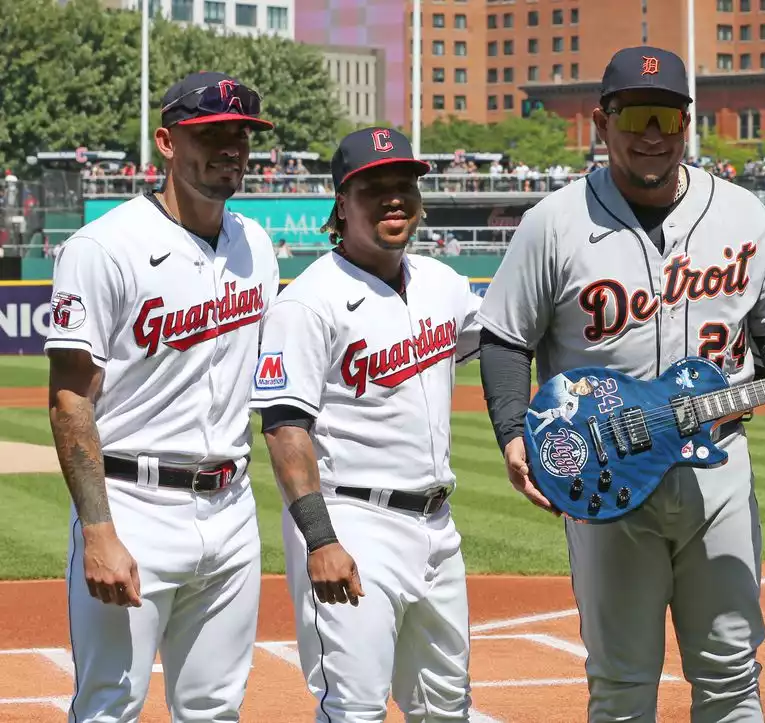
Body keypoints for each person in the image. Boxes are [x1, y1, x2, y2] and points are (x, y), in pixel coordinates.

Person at [475, 45, 765, 722]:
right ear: (603, 121)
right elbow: (505, 335)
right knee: (620, 683)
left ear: (687, 124)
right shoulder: (554, 223)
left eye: (668, 117)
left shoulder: (741, 214)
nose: (653, 133)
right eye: (637, 114)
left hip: (718, 463)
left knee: (732, 673)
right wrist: (511, 432)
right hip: (607, 475)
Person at [44, 71, 278, 721]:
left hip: (231, 509)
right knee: (110, 705)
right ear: (167, 141)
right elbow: (70, 398)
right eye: (212, 133)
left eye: (242, 134)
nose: (232, 146)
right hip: (134, 505)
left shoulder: (256, 247)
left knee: (214, 706)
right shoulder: (103, 246)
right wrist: (98, 530)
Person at [250, 126, 481, 721]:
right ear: (341, 203)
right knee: (354, 709)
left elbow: (509, 341)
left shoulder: (443, 284)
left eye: (403, 184)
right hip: (353, 521)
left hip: (437, 527)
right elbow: (283, 428)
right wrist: (320, 539)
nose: (393, 198)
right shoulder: (308, 302)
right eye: (373, 187)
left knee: (445, 707)